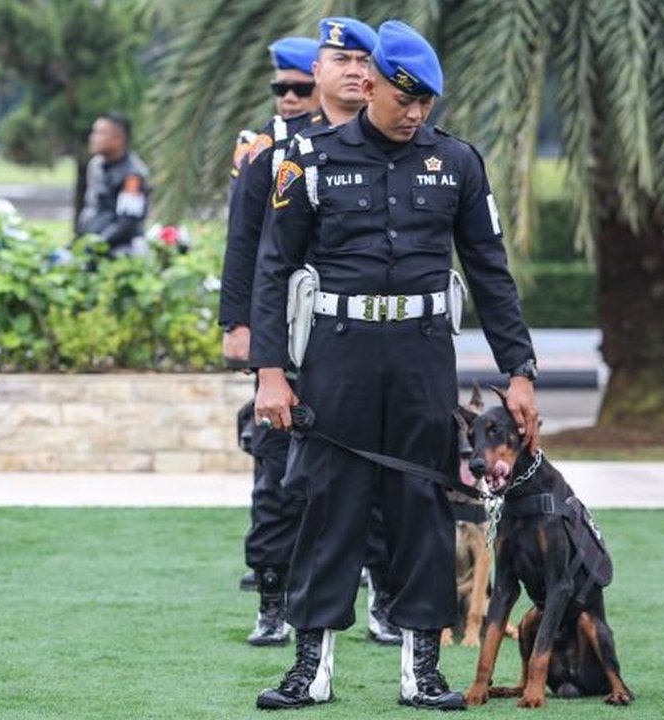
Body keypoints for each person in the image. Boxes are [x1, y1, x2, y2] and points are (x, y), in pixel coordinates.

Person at [249, 21, 539, 710]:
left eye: (426, 103)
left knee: (421, 509)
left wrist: (519, 370)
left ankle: (423, 670)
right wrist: (270, 370)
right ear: (370, 82)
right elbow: (274, 268)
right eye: (403, 99)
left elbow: (490, 272)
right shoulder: (308, 160)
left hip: (422, 358)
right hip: (337, 356)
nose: (413, 114)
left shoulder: (457, 164)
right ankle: (310, 669)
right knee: (327, 507)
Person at [220, 19, 378, 648]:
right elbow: (247, 250)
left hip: (360, 336)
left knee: (374, 471)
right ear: (320, 70)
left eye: (363, 60)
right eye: (340, 58)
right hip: (289, 332)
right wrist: (242, 330)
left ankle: (383, 595)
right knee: (280, 472)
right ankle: (272, 595)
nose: (288, 97)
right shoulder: (273, 153)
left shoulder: (390, 145)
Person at [75, 112, 150, 257]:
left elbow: (127, 224)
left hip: (121, 250)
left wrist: (97, 245)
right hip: (91, 244)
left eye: (100, 133)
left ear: (118, 139)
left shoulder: (132, 175)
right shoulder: (95, 165)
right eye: (94, 132)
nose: (93, 138)